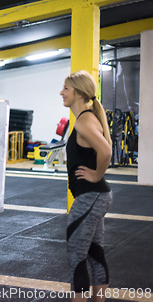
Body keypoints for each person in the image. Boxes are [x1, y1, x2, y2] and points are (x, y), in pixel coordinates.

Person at [61, 70, 113, 302]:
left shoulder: (84, 120)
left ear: (79, 92)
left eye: (66, 88)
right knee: (94, 253)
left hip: (90, 196)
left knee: (77, 256)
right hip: (95, 196)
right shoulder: (87, 117)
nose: (61, 93)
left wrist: (96, 175)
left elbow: (106, 150)